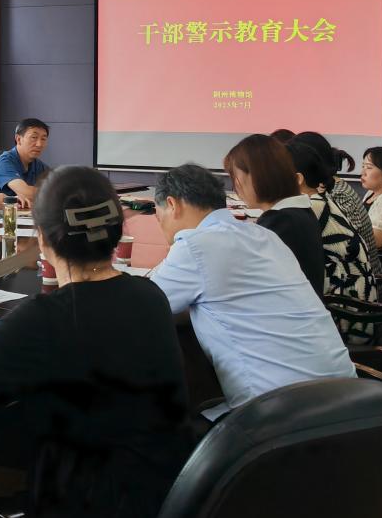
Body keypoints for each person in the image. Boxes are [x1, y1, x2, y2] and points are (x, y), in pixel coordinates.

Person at [0, 167, 191, 518]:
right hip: (165, 508)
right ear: (117, 231)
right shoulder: (149, 294)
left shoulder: (47, 318)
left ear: (43, 241)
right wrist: (4, 341)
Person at [148, 163, 355, 418]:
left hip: (280, 413)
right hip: (348, 398)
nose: (160, 224)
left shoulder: (195, 245)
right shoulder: (265, 236)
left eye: (158, 215)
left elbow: (145, 306)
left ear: (172, 204)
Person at [224, 134, 326, 296]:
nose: (236, 187)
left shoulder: (281, 222)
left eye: (236, 178)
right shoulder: (297, 212)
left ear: (258, 176)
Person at [287, 141, 377, 302]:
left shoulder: (310, 207)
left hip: (345, 302)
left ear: (298, 178)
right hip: (346, 291)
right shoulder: (317, 199)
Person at [0, 118, 51, 204]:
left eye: (43, 139)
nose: (39, 144)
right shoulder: (3, 162)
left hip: (18, 210)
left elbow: (56, 185)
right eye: (34, 137)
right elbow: (27, 193)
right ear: (18, 139)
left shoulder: (38, 165)